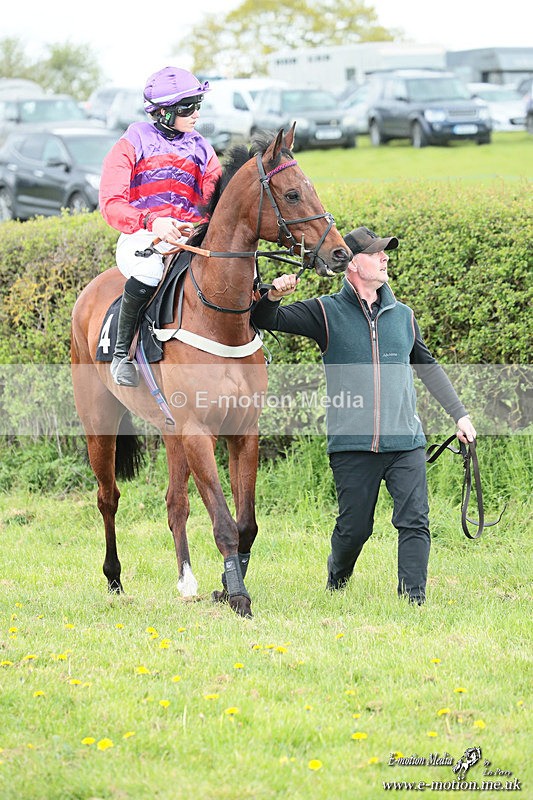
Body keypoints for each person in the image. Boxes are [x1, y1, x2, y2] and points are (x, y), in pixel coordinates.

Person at [251, 226, 476, 604]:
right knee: (355, 528)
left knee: (415, 521)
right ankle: (337, 579)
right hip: (352, 444)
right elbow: (264, 318)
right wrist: (272, 293)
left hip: (406, 441)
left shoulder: (403, 316)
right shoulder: (324, 312)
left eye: (385, 252)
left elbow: (428, 366)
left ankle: (413, 600)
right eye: (377, 253)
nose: (385, 258)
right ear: (353, 263)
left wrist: (460, 415)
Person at [99, 66, 222, 386]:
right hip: (141, 233)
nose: (196, 114)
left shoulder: (201, 147)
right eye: (187, 108)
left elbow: (215, 197)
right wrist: (151, 221)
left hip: (189, 234)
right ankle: (122, 354)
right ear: (164, 112)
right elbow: (111, 203)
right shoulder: (132, 141)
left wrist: (200, 225)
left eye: (198, 105)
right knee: (149, 273)